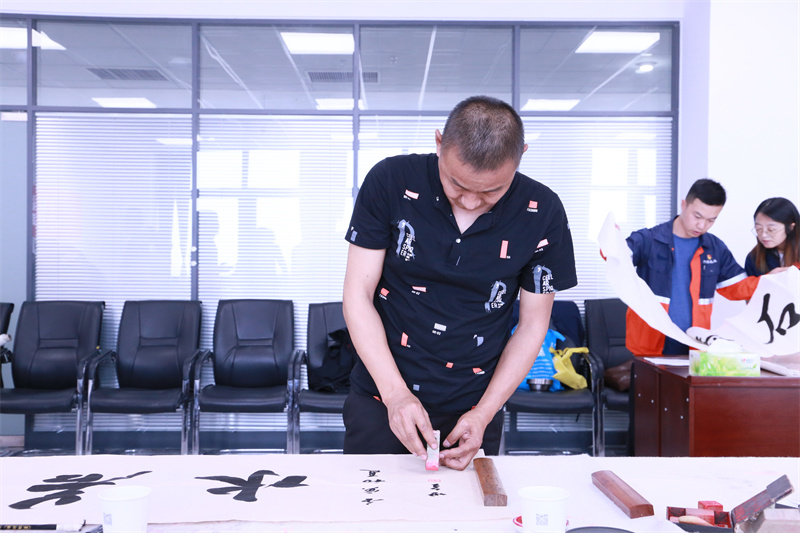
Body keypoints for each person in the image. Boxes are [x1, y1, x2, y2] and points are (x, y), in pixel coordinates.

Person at [341, 96, 577, 470]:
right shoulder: (390, 181)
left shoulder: (542, 211)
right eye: (456, 183)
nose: (469, 202)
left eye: (491, 191)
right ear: (439, 142)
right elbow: (358, 295)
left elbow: (533, 324)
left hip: (474, 408)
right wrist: (395, 395)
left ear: (521, 156)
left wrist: (484, 413)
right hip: (381, 397)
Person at [625, 178, 758, 356]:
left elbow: (739, 287)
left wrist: (776, 280)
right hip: (650, 344)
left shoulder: (715, 248)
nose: (702, 225)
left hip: (694, 345)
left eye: (711, 220)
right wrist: (611, 240)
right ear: (684, 205)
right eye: (697, 216)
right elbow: (616, 256)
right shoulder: (649, 239)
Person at [745, 197, 800, 276]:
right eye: (758, 229)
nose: (763, 235)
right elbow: (751, 283)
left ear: (791, 227)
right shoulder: (754, 257)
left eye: (771, 229)